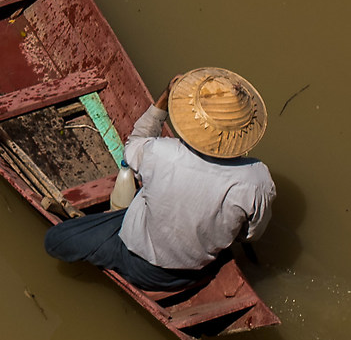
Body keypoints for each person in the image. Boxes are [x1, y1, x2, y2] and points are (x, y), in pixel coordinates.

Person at [42, 67, 275, 294]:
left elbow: (132, 148)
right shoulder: (258, 179)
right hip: (199, 269)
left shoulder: (161, 152)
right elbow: (249, 235)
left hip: (138, 265)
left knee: (56, 239)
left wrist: (163, 98)